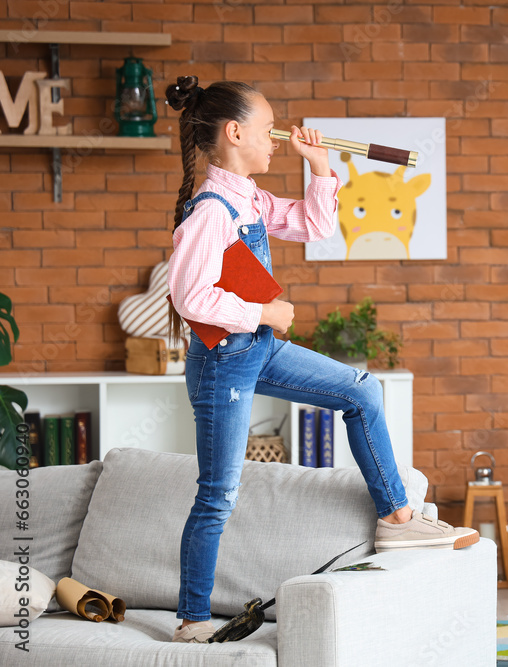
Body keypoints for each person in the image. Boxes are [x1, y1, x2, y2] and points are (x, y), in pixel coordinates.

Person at [163, 76, 478, 644]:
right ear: (234, 133)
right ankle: (191, 619)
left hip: (257, 351)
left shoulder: (249, 199)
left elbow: (314, 225)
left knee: (360, 390)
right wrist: (265, 312)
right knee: (218, 494)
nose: (275, 141)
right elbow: (189, 299)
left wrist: (320, 166)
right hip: (222, 362)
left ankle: (397, 519)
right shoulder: (208, 212)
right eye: (267, 131)